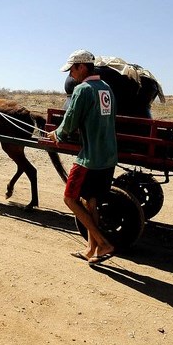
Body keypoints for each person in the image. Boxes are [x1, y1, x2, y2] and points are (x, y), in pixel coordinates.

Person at [47, 50, 119, 265]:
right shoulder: (106, 88)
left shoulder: (82, 89)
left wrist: (57, 134)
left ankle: (103, 243)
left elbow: (70, 121)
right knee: (91, 201)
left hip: (90, 158)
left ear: (81, 67)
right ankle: (91, 249)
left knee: (70, 199)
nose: (70, 74)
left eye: (71, 69)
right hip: (108, 156)